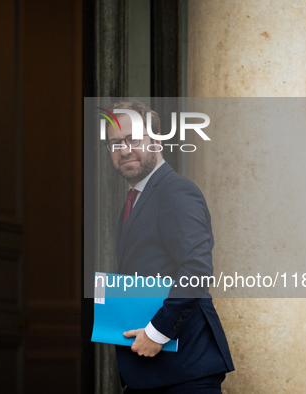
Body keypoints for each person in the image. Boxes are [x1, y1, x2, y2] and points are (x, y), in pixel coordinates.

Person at [105, 101, 235, 393]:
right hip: (152, 373)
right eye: (115, 144)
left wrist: (157, 333)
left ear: (157, 140)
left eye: (133, 140)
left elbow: (197, 269)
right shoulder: (135, 198)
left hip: (184, 372)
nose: (124, 150)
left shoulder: (176, 191)